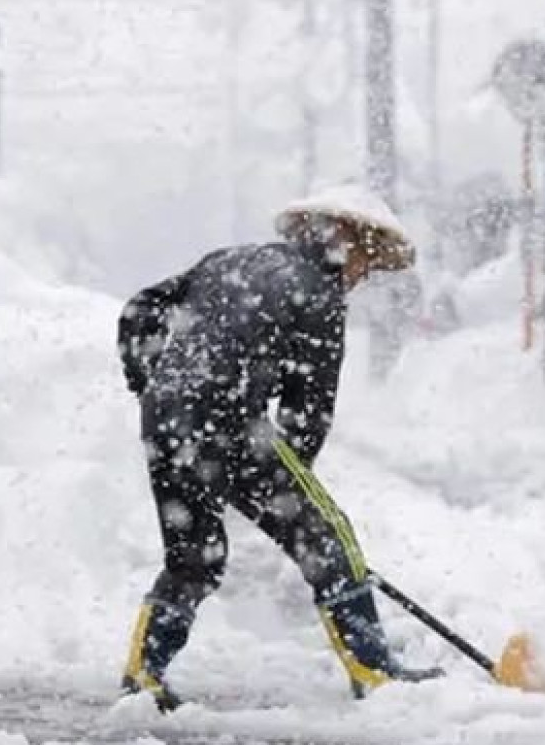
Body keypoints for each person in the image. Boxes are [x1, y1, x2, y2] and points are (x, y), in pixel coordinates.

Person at [115, 185, 443, 711]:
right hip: (231, 421)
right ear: (349, 242)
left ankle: (143, 671)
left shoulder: (228, 260)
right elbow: (308, 411)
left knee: (194, 557)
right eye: (366, 263)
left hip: (166, 420)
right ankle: (372, 669)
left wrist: (150, 383)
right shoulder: (318, 293)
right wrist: (291, 494)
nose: (362, 277)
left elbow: (140, 308)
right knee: (329, 535)